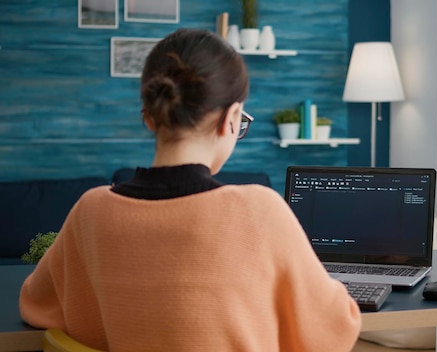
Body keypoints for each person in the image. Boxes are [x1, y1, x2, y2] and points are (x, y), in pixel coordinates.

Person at [19, 28, 361, 351]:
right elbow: (335, 329)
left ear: (150, 117)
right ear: (232, 118)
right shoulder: (260, 209)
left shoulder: (89, 211)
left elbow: (35, 305)